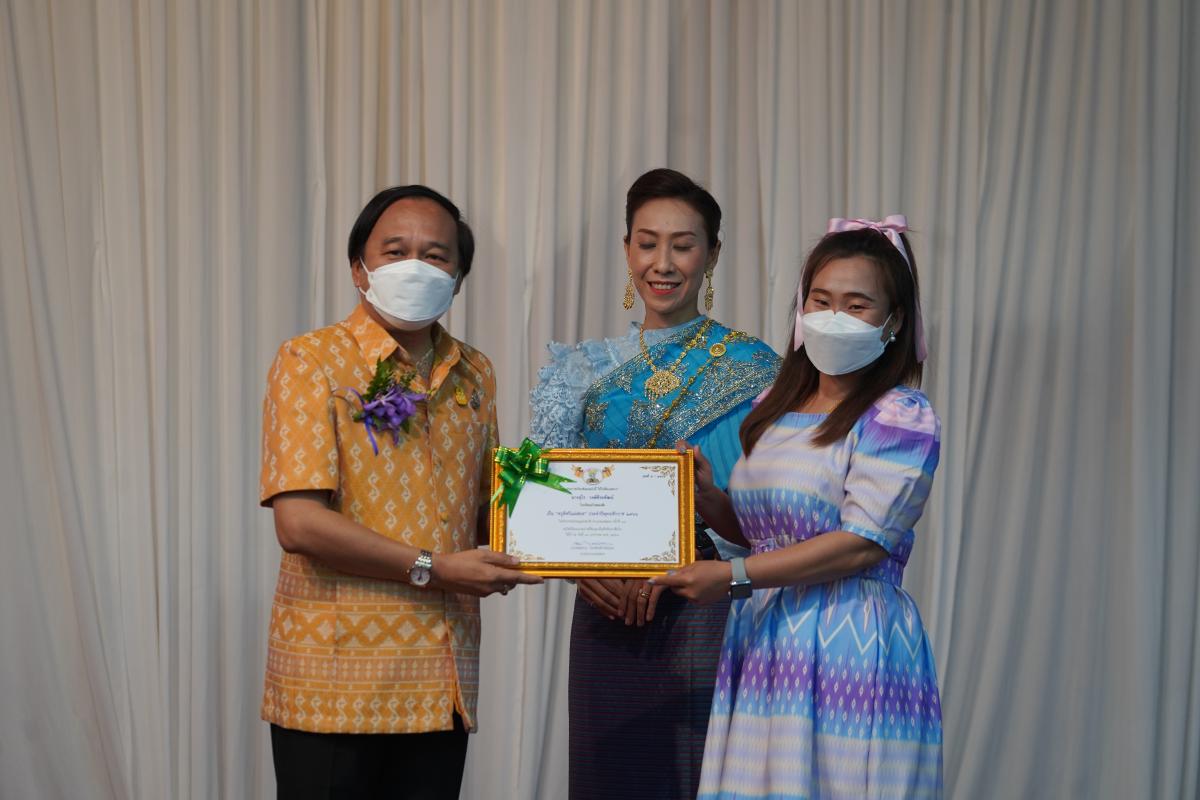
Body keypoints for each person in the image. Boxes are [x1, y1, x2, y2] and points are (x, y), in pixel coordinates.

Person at [258, 185, 541, 799]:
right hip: (335, 684)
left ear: (458, 278)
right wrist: (436, 568)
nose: (416, 266)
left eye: (436, 255)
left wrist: (593, 529)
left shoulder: (476, 372)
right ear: (358, 268)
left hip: (441, 682)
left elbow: (490, 507)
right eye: (395, 251)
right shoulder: (311, 361)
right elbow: (299, 523)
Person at [655, 216, 944, 798]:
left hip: (849, 640)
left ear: (894, 322)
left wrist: (731, 577)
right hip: (766, 635)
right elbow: (762, 537)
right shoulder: (773, 405)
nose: (834, 316)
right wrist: (709, 496)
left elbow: (862, 542)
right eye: (821, 299)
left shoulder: (899, 415)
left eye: (857, 306)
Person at [529, 168, 780, 799]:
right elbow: (538, 502)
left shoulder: (756, 371)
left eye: (683, 245)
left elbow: (770, 523)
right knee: (609, 776)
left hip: (705, 605)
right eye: (647, 243)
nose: (662, 263)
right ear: (626, 250)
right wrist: (581, 570)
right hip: (607, 608)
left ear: (712, 255)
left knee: (696, 777)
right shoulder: (579, 371)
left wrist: (696, 530)